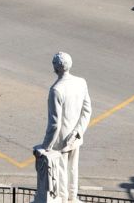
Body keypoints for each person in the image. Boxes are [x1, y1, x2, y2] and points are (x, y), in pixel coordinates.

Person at [34, 52, 92, 203]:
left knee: (61, 172)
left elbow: (54, 124)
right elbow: (87, 111)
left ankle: (65, 199)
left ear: (55, 67)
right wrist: (78, 132)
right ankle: (73, 197)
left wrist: (45, 146)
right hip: (75, 138)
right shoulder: (81, 82)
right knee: (73, 169)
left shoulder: (56, 90)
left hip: (60, 141)